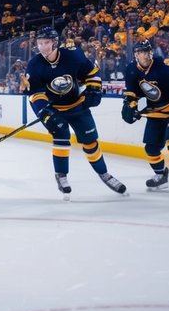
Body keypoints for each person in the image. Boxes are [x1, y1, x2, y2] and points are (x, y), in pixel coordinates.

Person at [25, 26, 126, 198]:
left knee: (90, 141)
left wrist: (94, 89)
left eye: (46, 43)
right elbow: (34, 93)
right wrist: (43, 112)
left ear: (55, 42)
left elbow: (91, 74)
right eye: (40, 43)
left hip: (77, 106)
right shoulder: (34, 65)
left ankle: (104, 174)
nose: (42, 47)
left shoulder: (73, 55)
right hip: (55, 109)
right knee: (61, 137)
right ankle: (61, 176)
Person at [121, 41, 169, 192]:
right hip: (156, 112)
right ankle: (161, 176)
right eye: (140, 52)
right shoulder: (131, 69)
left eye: (146, 51)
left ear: (151, 52)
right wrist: (131, 105)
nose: (143, 55)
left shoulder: (165, 65)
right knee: (151, 148)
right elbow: (132, 93)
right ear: (135, 54)